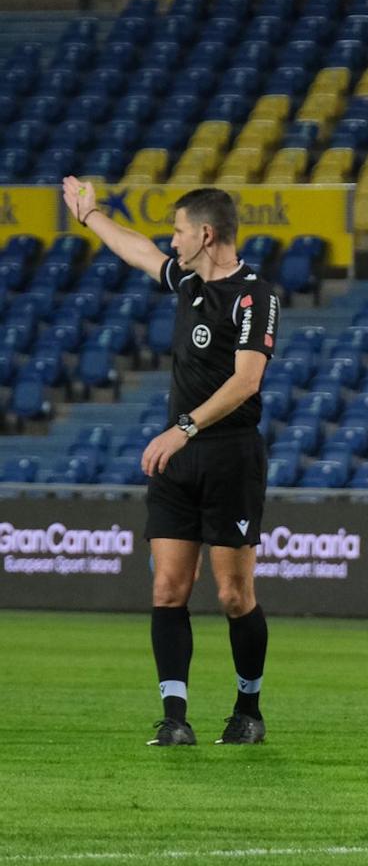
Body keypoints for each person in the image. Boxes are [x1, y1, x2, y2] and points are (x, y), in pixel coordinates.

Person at [62, 177, 278, 747]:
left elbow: (247, 380)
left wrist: (183, 427)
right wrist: (91, 217)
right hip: (179, 458)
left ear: (206, 234)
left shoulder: (255, 295)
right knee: (168, 589)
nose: (172, 238)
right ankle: (175, 716)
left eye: (180, 230)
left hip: (229, 455)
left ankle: (247, 710)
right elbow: (140, 252)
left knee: (234, 595)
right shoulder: (188, 282)